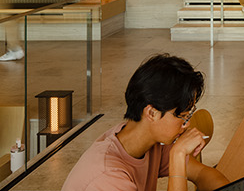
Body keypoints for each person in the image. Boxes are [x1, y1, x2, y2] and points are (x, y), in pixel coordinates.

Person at [61, 54, 229, 191]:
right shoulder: (107, 177)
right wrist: (177, 156)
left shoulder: (151, 142)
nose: (187, 124)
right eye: (183, 116)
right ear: (151, 113)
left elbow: (203, 174)